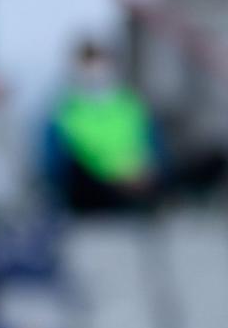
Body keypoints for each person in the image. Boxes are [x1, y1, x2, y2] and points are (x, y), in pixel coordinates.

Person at [43, 38, 227, 214]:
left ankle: (152, 198)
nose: (95, 71)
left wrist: (146, 174)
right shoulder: (62, 113)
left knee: (211, 161)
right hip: (97, 188)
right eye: (88, 65)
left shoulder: (131, 106)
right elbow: (57, 167)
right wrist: (113, 179)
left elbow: (157, 149)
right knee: (80, 180)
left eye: (100, 63)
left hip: (140, 182)